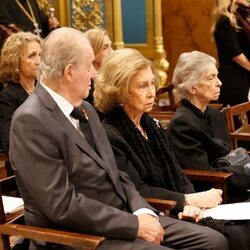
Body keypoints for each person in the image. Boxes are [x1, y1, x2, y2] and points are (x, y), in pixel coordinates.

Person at [9, 27, 228, 250]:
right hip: (77, 236)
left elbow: (117, 175)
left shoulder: (86, 109)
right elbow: (62, 206)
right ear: (69, 71)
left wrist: (143, 212)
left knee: (214, 242)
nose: (94, 74)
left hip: (122, 216)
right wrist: (134, 225)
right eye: (90, 66)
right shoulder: (31, 120)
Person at [94, 48, 250, 250]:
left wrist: (191, 202)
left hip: (175, 205)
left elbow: (177, 172)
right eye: (143, 86)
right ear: (120, 91)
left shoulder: (151, 125)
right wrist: (185, 200)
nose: (152, 92)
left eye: (152, 83)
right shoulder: (111, 134)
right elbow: (137, 190)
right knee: (227, 237)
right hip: (151, 212)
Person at [167, 51, 250, 204]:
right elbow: (203, 174)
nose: (219, 82)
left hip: (233, 183)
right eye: (211, 78)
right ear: (192, 88)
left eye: (216, 76)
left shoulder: (213, 113)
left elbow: (228, 157)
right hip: (214, 194)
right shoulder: (182, 123)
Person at [0, 31, 41, 176]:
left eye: (40, 55)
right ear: (15, 61)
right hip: (24, 171)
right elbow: (9, 143)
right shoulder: (7, 97)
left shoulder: (45, 89)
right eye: (32, 56)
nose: (38, 61)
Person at [210, 0, 250, 106]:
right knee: (239, 118)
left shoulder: (241, 17)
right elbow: (235, 54)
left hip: (244, 75)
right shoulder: (225, 20)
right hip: (235, 79)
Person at [84, 28, 113, 107]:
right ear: (93, 50)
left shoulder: (113, 73)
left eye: (111, 46)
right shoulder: (85, 82)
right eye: (105, 47)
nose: (112, 51)